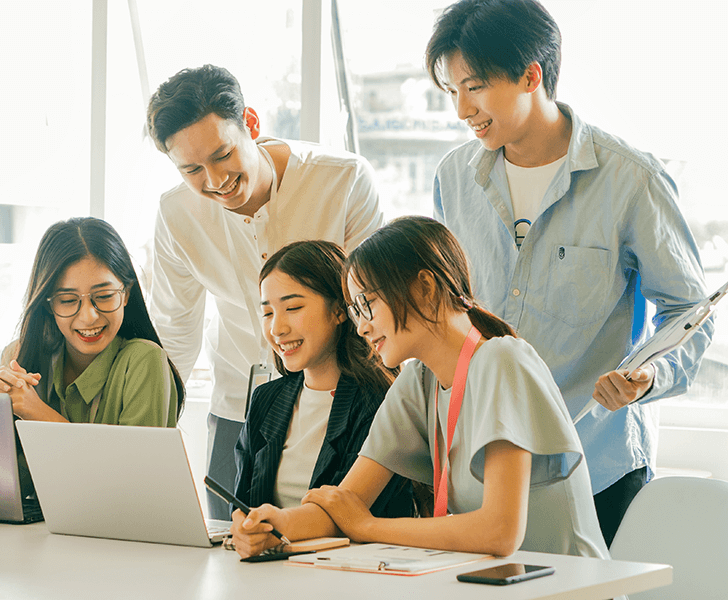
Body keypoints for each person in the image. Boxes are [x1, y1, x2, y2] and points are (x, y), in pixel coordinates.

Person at [426, 0, 712, 546]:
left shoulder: (632, 181)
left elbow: (691, 315)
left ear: (531, 75)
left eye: (476, 86)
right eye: (452, 91)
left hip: (597, 466)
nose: (462, 109)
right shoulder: (453, 178)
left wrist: (646, 375)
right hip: (483, 461)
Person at [231, 216, 609, 561]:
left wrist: (367, 527)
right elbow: (345, 503)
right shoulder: (418, 381)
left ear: (424, 287)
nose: (361, 327)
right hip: (494, 586)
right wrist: (272, 524)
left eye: (367, 304)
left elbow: (499, 533)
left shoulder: (501, 360)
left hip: (567, 587)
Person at [146, 64, 384, 519]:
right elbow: (174, 333)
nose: (215, 181)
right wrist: (148, 441)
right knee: (234, 558)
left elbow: (374, 309)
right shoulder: (176, 214)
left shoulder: (344, 180)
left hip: (343, 410)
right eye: (192, 169)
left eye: (222, 155)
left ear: (251, 123)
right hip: (238, 408)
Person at [234, 240, 412, 518]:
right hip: (269, 559)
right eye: (267, 313)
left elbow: (355, 516)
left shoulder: (378, 400)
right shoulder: (266, 399)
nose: (276, 329)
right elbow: (241, 505)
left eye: (292, 308)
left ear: (340, 311)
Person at [0, 217, 184, 428]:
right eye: (68, 300)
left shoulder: (144, 360)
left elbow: (131, 462)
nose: (89, 316)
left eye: (104, 295)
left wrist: (36, 411)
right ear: (49, 305)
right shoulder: (17, 355)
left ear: (126, 294)